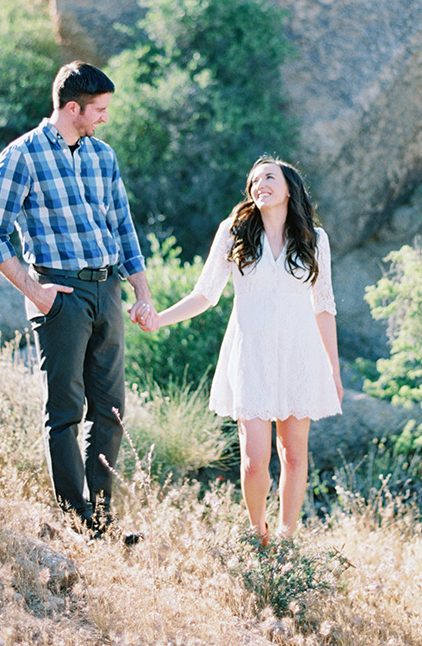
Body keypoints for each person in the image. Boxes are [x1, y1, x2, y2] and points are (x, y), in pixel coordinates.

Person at [0, 60, 155, 538]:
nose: (105, 118)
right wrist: (38, 293)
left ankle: (100, 520)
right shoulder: (22, 155)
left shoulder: (102, 156)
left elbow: (123, 227)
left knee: (111, 412)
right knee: (65, 413)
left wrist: (142, 292)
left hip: (108, 291)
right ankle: (76, 519)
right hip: (60, 294)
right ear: (72, 108)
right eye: (98, 109)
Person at [134, 157, 343, 542]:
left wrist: (334, 368)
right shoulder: (233, 233)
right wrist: (160, 318)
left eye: (269, 177)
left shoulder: (315, 238)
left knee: (294, 456)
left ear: (289, 187)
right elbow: (205, 294)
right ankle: (256, 532)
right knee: (253, 461)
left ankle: (286, 536)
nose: (259, 183)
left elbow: (324, 305)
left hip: (300, 356)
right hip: (251, 356)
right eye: (254, 179)